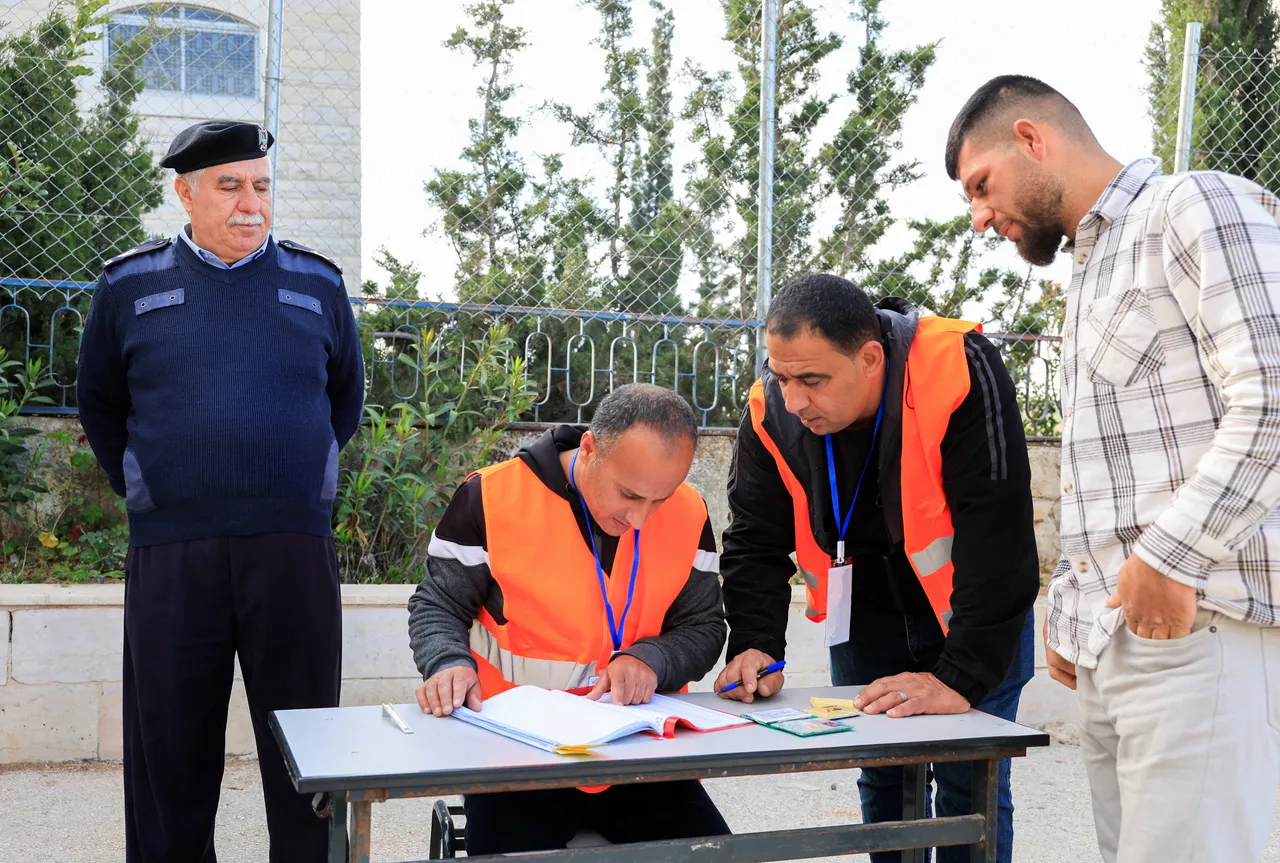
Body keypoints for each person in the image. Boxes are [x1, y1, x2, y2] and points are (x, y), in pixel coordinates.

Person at [946, 73, 1280, 863]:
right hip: (1116, 647)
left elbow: (1272, 392)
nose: (979, 217)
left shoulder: (1191, 204)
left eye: (981, 185)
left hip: (1202, 633)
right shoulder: (1093, 266)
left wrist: (1168, 558)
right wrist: (1074, 610)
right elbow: (1118, 467)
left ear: (1032, 139)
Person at [76, 120, 365, 862]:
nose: (251, 204)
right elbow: (101, 405)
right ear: (186, 192)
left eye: (261, 186)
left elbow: (345, 403)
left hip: (292, 550)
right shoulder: (128, 285)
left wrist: (295, 482)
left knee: (307, 752)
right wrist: (154, 490)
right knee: (169, 753)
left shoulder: (318, 283)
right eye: (230, 186)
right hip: (173, 553)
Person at [716, 273, 1040, 863]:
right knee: (883, 774)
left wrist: (960, 677)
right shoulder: (771, 411)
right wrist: (756, 642)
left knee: (969, 781)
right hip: (864, 614)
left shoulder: (957, 365)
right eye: (782, 376)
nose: (794, 399)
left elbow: (999, 528)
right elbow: (754, 537)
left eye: (812, 380)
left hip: (972, 619)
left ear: (869, 359)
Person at [407, 383, 730, 854]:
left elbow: (705, 626)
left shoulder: (689, 510)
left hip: (640, 753)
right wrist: (447, 663)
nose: (641, 519)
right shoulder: (491, 496)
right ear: (590, 448)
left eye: (659, 499)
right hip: (514, 757)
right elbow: (437, 603)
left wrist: (652, 659)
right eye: (629, 495)